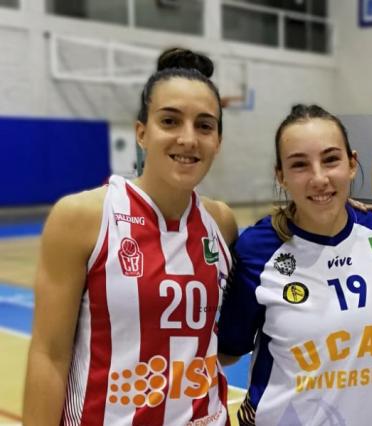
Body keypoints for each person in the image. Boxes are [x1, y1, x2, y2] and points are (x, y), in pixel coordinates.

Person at [23, 48, 237, 425]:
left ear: (218, 141)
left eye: (204, 126)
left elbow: (226, 344)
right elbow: (49, 355)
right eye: (170, 121)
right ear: (141, 133)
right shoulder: (83, 217)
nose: (188, 139)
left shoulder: (221, 222)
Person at [217, 104, 372, 426]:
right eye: (300, 165)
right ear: (281, 176)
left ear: (352, 164)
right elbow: (229, 350)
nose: (319, 178)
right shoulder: (257, 251)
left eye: (331, 160)